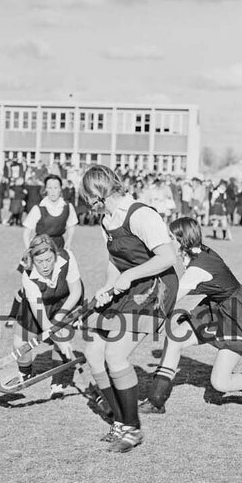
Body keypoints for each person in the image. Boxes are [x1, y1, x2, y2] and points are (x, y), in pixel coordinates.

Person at [79, 164, 181, 454]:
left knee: (115, 353)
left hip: (155, 286)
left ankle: (132, 429)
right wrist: (108, 286)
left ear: (98, 193)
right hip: (130, 283)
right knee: (94, 351)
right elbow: (116, 261)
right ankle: (120, 422)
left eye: (87, 196)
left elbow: (166, 258)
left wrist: (127, 278)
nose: (86, 203)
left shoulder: (141, 215)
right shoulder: (107, 220)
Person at [142, 217, 242, 414]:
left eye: (171, 237)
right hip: (216, 307)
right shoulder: (197, 251)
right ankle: (156, 400)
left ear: (183, 240)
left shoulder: (198, 268)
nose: (167, 240)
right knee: (174, 340)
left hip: (235, 316)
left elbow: (169, 301)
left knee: (220, 383)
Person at [13, 234, 85, 398]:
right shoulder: (28, 277)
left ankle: (57, 383)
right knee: (20, 343)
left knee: (62, 334)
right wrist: (59, 340)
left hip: (63, 301)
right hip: (38, 305)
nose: (45, 265)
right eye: (40, 262)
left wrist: (61, 315)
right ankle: (26, 372)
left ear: (55, 254)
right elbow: (44, 323)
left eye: (49, 260)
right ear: (33, 260)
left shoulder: (67, 257)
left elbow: (76, 291)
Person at [21, 174, 79, 252]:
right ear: (45, 189)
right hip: (40, 247)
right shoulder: (38, 208)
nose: (52, 191)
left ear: (60, 189)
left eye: (55, 188)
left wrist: (69, 240)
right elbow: (26, 232)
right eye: (49, 188)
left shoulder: (68, 207)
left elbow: (71, 225)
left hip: (59, 246)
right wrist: (29, 250)